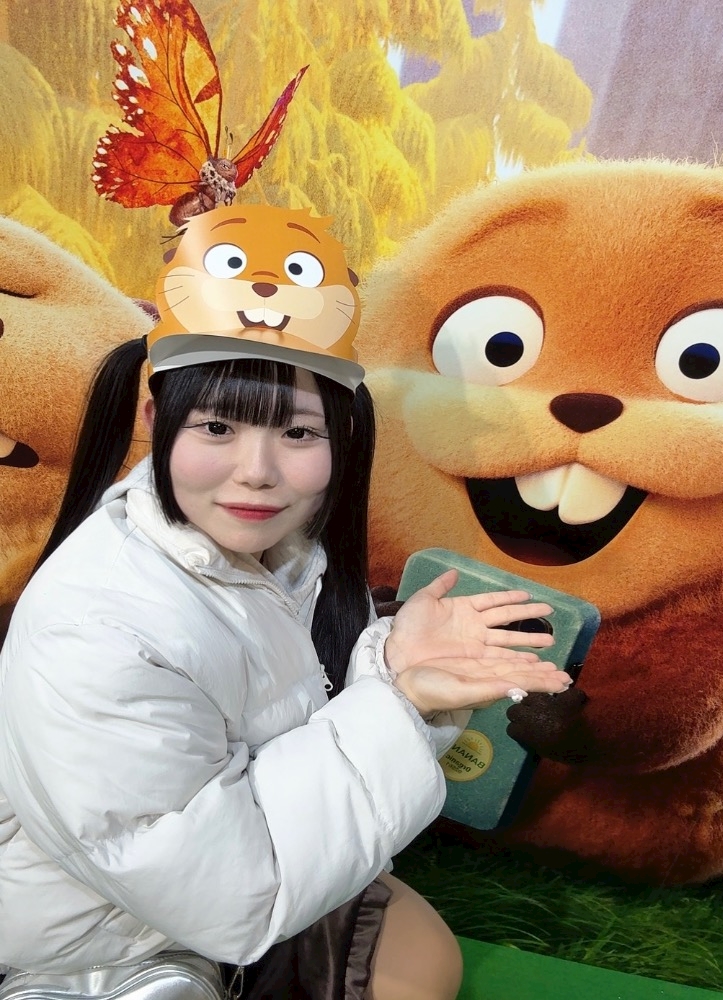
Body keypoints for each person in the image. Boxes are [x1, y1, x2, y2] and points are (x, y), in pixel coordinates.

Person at [0, 205, 569, 1000]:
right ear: (155, 419)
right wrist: (399, 703)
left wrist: (396, 665)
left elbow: (296, 717)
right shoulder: (94, 626)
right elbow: (230, 894)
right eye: (218, 427)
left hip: (233, 890)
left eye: (299, 434)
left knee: (423, 965)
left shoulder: (283, 555)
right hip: (104, 935)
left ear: (342, 439)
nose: (257, 471)